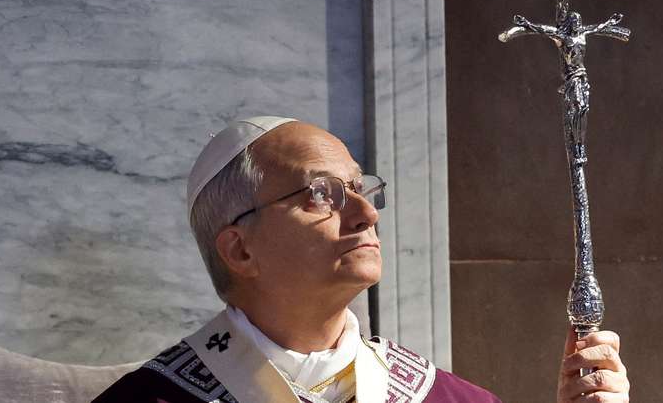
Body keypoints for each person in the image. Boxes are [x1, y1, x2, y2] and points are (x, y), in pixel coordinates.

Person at [94, 116, 630, 403]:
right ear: (240, 249)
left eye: (361, 189)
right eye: (322, 194)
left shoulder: (446, 401)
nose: (366, 215)